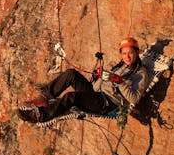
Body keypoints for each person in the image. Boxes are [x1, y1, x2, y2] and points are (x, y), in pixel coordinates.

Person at [18, 37, 150, 123]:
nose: (127, 56)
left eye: (130, 53)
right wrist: (99, 76)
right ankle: (45, 97)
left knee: (71, 97)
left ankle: (40, 116)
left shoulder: (140, 73)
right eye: (124, 53)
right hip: (96, 94)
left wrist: (120, 82)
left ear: (136, 53)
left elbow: (134, 98)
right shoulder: (122, 65)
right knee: (71, 74)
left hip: (106, 103)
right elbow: (107, 81)